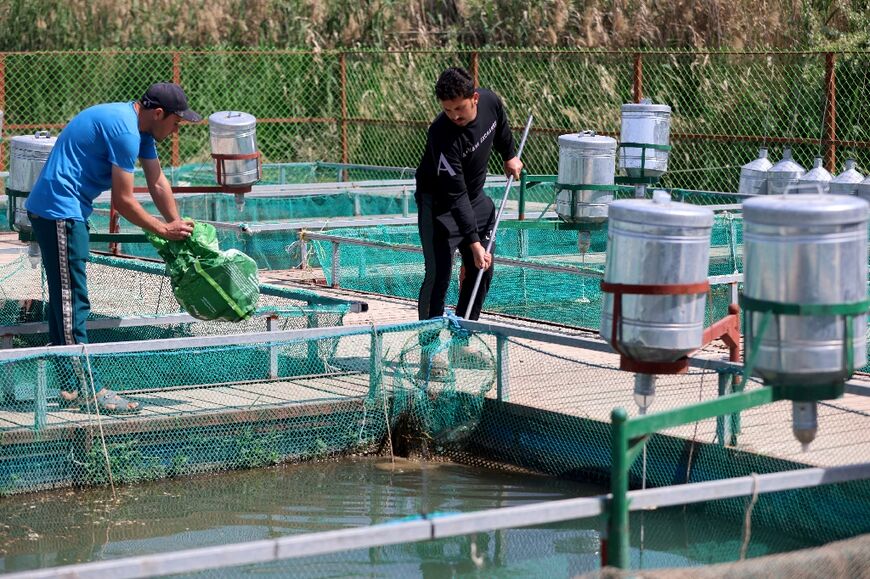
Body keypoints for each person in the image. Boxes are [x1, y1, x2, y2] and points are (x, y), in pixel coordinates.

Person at [25, 82, 200, 413]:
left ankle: (69, 388)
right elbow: (124, 200)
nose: (177, 130)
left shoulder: (141, 130)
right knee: (71, 300)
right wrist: (163, 229)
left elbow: (158, 182)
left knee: (68, 298)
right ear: (159, 113)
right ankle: (88, 391)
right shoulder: (125, 132)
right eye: (176, 123)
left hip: (64, 211)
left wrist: (178, 228)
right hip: (58, 212)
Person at [415, 67, 523, 376]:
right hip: (439, 205)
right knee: (439, 276)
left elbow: (500, 124)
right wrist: (473, 243)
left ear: (474, 98)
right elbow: (454, 194)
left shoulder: (489, 102)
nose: (454, 116)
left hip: (475, 199)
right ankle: (430, 351)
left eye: (459, 108)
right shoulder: (441, 134)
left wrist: (510, 155)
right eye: (447, 110)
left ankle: (462, 341)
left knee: (483, 269)